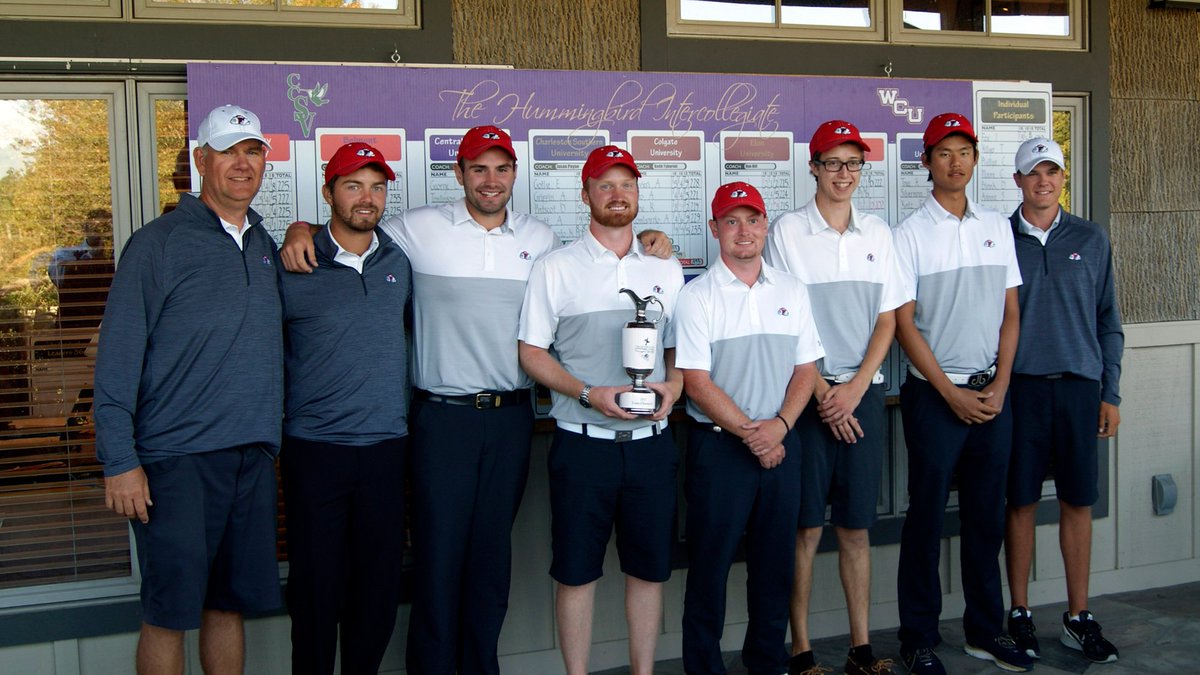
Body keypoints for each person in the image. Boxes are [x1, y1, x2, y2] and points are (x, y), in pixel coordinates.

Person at [278, 127, 672, 674]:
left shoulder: (541, 239)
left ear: (514, 175)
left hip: (511, 418)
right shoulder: (417, 229)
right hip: (442, 419)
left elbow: (600, 258)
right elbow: (351, 229)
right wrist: (298, 229)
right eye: (478, 169)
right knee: (439, 553)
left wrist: (650, 239)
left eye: (501, 169)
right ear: (459, 173)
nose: (491, 180)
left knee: (491, 555)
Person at [94, 104, 283, 675]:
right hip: (175, 463)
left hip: (250, 456)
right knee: (169, 614)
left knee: (227, 606)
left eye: (252, 152)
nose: (242, 164)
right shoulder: (158, 244)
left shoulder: (263, 243)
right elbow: (117, 358)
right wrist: (120, 461)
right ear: (202, 161)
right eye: (228, 152)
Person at [517, 145, 684, 675]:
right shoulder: (555, 268)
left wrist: (674, 388)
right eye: (605, 185)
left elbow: (679, 351)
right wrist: (589, 393)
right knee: (576, 574)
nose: (617, 194)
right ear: (585, 194)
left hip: (651, 447)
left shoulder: (664, 266)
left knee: (649, 572)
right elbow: (531, 353)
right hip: (581, 445)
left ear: (637, 193)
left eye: (626, 184)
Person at [891, 112, 1031, 674]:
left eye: (964, 152)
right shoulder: (909, 233)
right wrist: (949, 392)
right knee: (925, 519)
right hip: (934, 396)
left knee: (985, 518)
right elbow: (904, 324)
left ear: (975, 159)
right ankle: (918, 637)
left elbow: (1011, 313)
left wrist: (1000, 383)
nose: (955, 162)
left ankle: (985, 630)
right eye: (944, 153)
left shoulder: (995, 226)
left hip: (992, 394)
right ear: (926, 162)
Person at [765, 120, 904, 675]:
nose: (843, 173)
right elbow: (783, 319)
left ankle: (860, 650)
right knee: (805, 529)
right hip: (807, 397)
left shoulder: (878, 234)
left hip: (861, 394)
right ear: (814, 168)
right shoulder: (787, 232)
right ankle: (800, 652)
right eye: (833, 163)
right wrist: (825, 394)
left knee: (855, 528)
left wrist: (854, 388)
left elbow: (888, 319)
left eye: (853, 163)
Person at [676, 181, 822, 675]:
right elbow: (696, 382)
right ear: (714, 228)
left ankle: (767, 661)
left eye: (753, 220)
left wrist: (780, 426)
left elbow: (806, 369)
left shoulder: (791, 290)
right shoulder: (696, 296)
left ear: (765, 226)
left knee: (774, 567)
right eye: (731, 221)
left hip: (782, 443)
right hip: (721, 449)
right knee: (709, 568)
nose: (744, 231)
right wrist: (755, 435)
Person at [277, 142, 412, 674]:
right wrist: (297, 230)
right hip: (315, 450)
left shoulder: (399, 259)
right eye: (353, 185)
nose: (367, 198)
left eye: (377, 187)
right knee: (315, 590)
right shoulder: (294, 261)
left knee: (377, 590)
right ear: (328, 192)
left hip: (386, 448)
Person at [1002, 136, 1123, 665]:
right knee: (1021, 501)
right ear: (1018, 180)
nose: (1043, 181)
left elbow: (1108, 320)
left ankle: (1078, 616)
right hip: (1022, 388)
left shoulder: (1091, 238)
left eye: (1052, 171)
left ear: (1062, 177)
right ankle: (1020, 612)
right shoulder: (998, 239)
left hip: (1079, 387)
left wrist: (1110, 392)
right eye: (1034, 172)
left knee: (1077, 500)